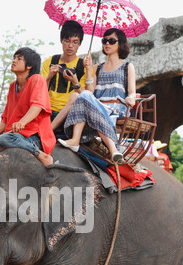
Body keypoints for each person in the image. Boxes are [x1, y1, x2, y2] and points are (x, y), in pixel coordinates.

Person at [58, 28, 137, 164]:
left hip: (117, 108)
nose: (107, 44)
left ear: (120, 44)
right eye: (104, 40)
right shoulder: (97, 68)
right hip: (97, 106)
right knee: (85, 96)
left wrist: (131, 97)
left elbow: (132, 91)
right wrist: (85, 73)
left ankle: (79, 141)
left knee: (86, 98)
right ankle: (79, 142)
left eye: (111, 41)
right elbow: (89, 92)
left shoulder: (127, 66)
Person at [0, 47, 55, 167]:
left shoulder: (37, 79)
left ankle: (40, 154)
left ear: (29, 66)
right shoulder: (12, 86)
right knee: (1, 141)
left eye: (19, 59)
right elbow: (6, 121)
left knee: (4, 139)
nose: (14, 61)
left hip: (34, 137)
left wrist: (22, 122)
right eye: (14, 58)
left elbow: (37, 106)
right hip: (15, 136)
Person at [41, 20, 87, 131]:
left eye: (75, 42)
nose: (70, 46)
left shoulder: (83, 66)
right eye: (67, 41)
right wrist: (49, 77)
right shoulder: (50, 61)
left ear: (80, 44)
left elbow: (86, 97)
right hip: (48, 111)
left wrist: (75, 82)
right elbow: (40, 93)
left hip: (69, 114)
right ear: (61, 40)